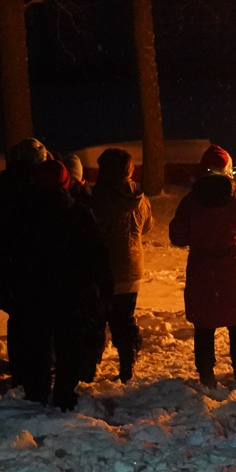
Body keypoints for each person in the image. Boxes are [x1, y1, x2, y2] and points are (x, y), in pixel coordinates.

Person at [21, 160, 114, 409]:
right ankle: (64, 394)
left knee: (38, 343)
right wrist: (104, 289)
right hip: (72, 291)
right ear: (65, 182)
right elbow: (98, 255)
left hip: (36, 290)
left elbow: (15, 255)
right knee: (69, 344)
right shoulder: (79, 213)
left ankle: (37, 395)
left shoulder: (24, 216)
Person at [168, 145, 236, 391]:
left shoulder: (191, 201)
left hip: (203, 269)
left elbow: (178, 235)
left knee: (204, 325)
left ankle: (206, 375)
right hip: (232, 269)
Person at [0, 138, 52, 397]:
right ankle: (38, 376)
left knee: (19, 320)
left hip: (9, 265)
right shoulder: (37, 188)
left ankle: (21, 374)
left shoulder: (1, 187)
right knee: (41, 322)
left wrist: (7, 254)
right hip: (35, 265)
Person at [88, 147, 153, 383]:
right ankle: (128, 361)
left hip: (104, 268)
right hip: (132, 267)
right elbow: (146, 227)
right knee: (123, 318)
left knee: (97, 318)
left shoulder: (99, 198)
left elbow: (91, 231)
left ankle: (90, 364)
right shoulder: (139, 196)